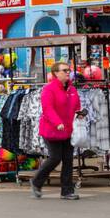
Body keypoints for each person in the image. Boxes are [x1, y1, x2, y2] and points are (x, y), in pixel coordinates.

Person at [32, 61, 84, 200]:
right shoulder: (49, 89)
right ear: (56, 73)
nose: (68, 72)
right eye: (64, 70)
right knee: (55, 158)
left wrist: (80, 114)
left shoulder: (72, 89)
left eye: (69, 70)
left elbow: (76, 105)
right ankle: (37, 181)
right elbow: (47, 109)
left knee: (68, 160)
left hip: (68, 129)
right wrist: (57, 123)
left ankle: (67, 191)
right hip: (52, 130)